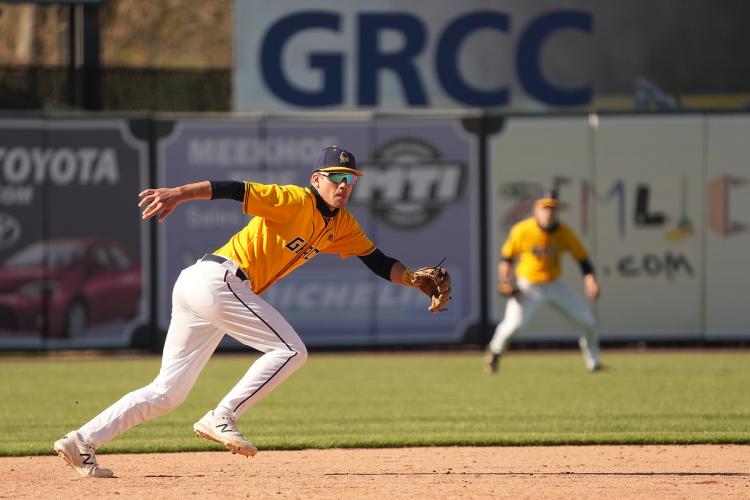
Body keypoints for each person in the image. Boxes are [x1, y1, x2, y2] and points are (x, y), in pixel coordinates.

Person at [53, 146, 451, 478]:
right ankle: (222, 415)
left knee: (167, 393)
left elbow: (379, 261)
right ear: (317, 179)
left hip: (206, 287)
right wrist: (179, 192)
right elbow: (233, 189)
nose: (344, 186)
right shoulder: (294, 199)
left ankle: (81, 441)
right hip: (216, 279)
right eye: (336, 177)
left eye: (350, 179)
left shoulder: (343, 225)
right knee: (291, 351)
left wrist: (414, 280)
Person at [484, 190, 601, 374]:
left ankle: (594, 363)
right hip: (528, 286)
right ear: (536, 209)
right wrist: (504, 279)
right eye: (545, 208)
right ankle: (495, 352)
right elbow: (507, 258)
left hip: (554, 285)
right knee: (514, 325)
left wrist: (590, 280)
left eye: (552, 208)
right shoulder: (522, 230)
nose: (549, 212)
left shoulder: (564, 233)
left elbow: (583, 259)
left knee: (587, 321)